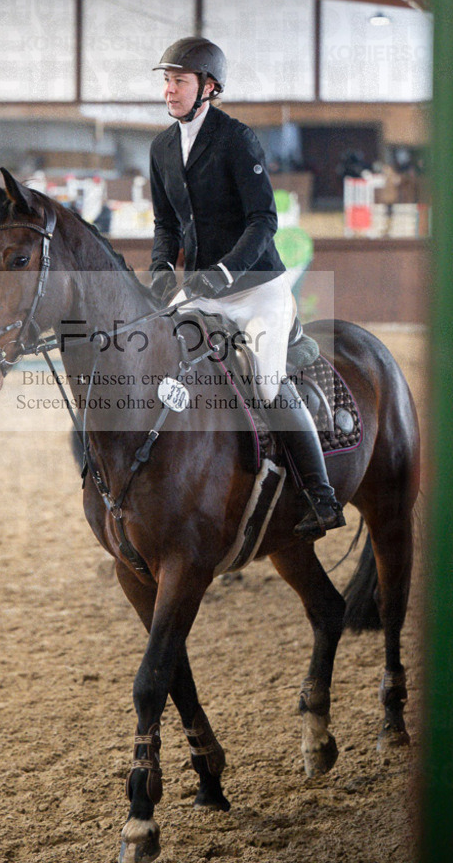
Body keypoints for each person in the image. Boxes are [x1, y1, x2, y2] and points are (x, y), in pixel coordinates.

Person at [148, 36, 345, 541]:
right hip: (200, 287)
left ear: (208, 87)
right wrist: (157, 271)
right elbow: (166, 225)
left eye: (179, 82)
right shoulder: (162, 148)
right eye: (166, 81)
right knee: (157, 354)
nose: (169, 91)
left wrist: (228, 273)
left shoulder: (237, 140)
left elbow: (263, 220)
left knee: (264, 381)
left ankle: (320, 496)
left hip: (257, 287)